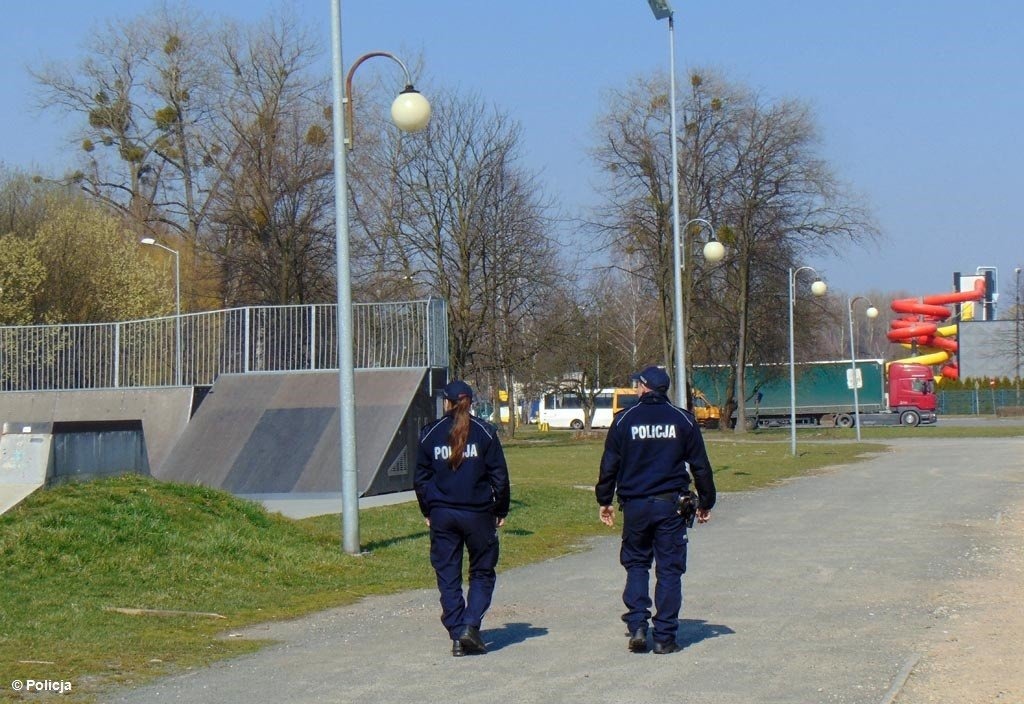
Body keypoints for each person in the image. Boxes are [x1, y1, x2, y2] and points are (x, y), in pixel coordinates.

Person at [595, 365, 716, 655]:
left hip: (635, 505)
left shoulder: (624, 420)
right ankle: (664, 636)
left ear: (644, 387)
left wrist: (604, 499)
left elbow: (609, 463)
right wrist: (706, 501)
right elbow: (700, 465)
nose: (636, 388)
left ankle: (638, 624)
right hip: (669, 506)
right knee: (669, 571)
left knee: (637, 564)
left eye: (638, 384)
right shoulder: (682, 420)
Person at [415, 380, 511, 657]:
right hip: (478, 513)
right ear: (471, 401)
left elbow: (420, 479)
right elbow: (500, 478)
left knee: (448, 574)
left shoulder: (429, 433)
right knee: (481, 572)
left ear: (446, 402)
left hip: (443, 514)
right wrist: (500, 510)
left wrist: (428, 510)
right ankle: (469, 626)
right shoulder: (485, 432)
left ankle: (458, 633)